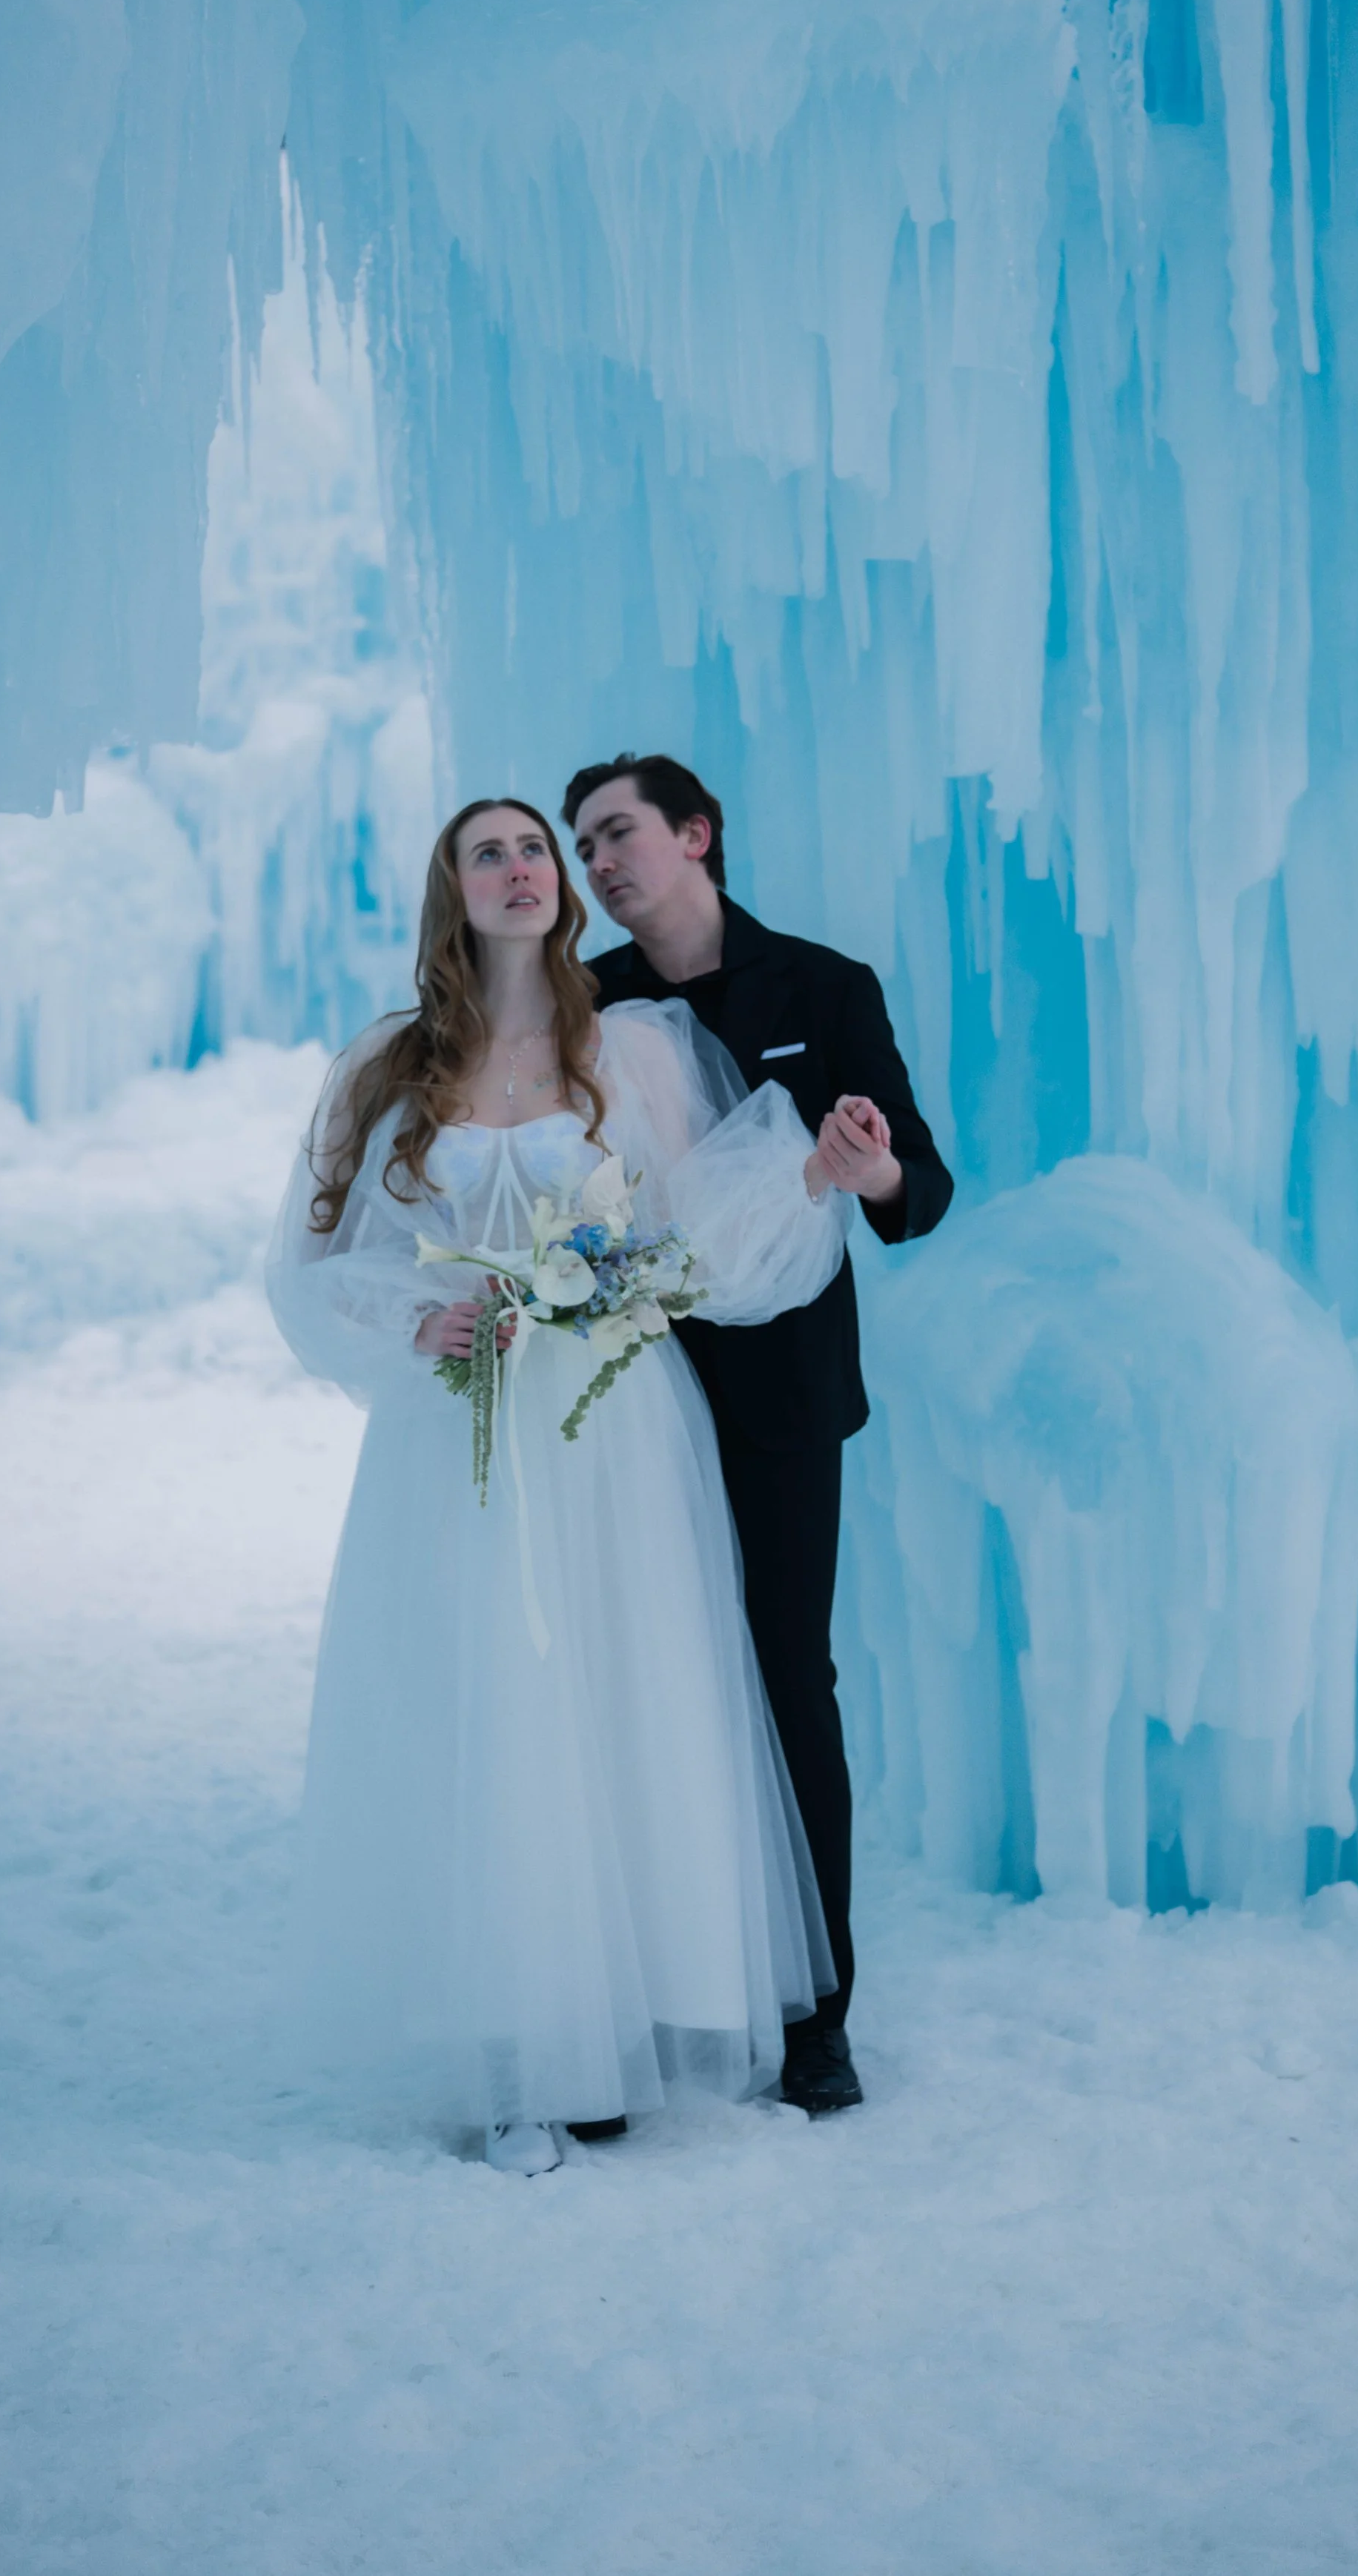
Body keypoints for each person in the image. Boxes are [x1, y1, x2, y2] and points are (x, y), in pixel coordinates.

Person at [267, 797, 852, 2175]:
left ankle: (626, 2024)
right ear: (452, 893)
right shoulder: (386, 1067)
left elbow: (699, 1232)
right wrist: (419, 1321)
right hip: (464, 1436)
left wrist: (810, 1178)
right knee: (505, 1717)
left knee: (619, 1702)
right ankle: (531, 2047)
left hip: (616, 1430)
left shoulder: (634, 1047)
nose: (524, 868)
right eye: (491, 853)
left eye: (538, 848)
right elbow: (317, 1270)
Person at [563, 755, 954, 2116]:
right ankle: (657, 1990)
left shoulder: (824, 986)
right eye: (586, 843)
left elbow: (924, 1184)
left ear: (695, 834)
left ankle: (816, 2014)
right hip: (629, 1398)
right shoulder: (583, 1002)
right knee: (644, 1687)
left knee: (791, 1678)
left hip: (783, 1398)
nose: (600, 861)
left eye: (620, 832)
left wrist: (874, 1163)